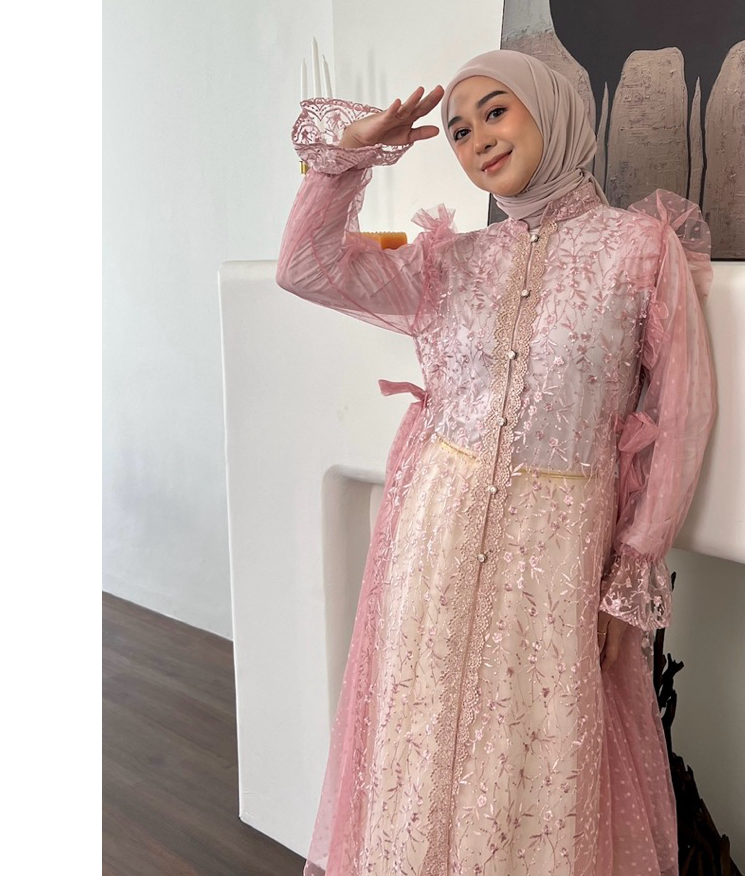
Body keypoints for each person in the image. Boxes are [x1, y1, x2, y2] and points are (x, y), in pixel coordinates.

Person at [276, 49, 716, 876]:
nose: (476, 136)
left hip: (556, 559)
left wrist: (630, 575)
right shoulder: (457, 261)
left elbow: (683, 417)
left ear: (550, 109)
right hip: (435, 545)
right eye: (457, 129)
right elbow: (305, 269)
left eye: (495, 111)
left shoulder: (639, 250)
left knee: (532, 769)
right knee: (424, 750)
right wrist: (354, 154)